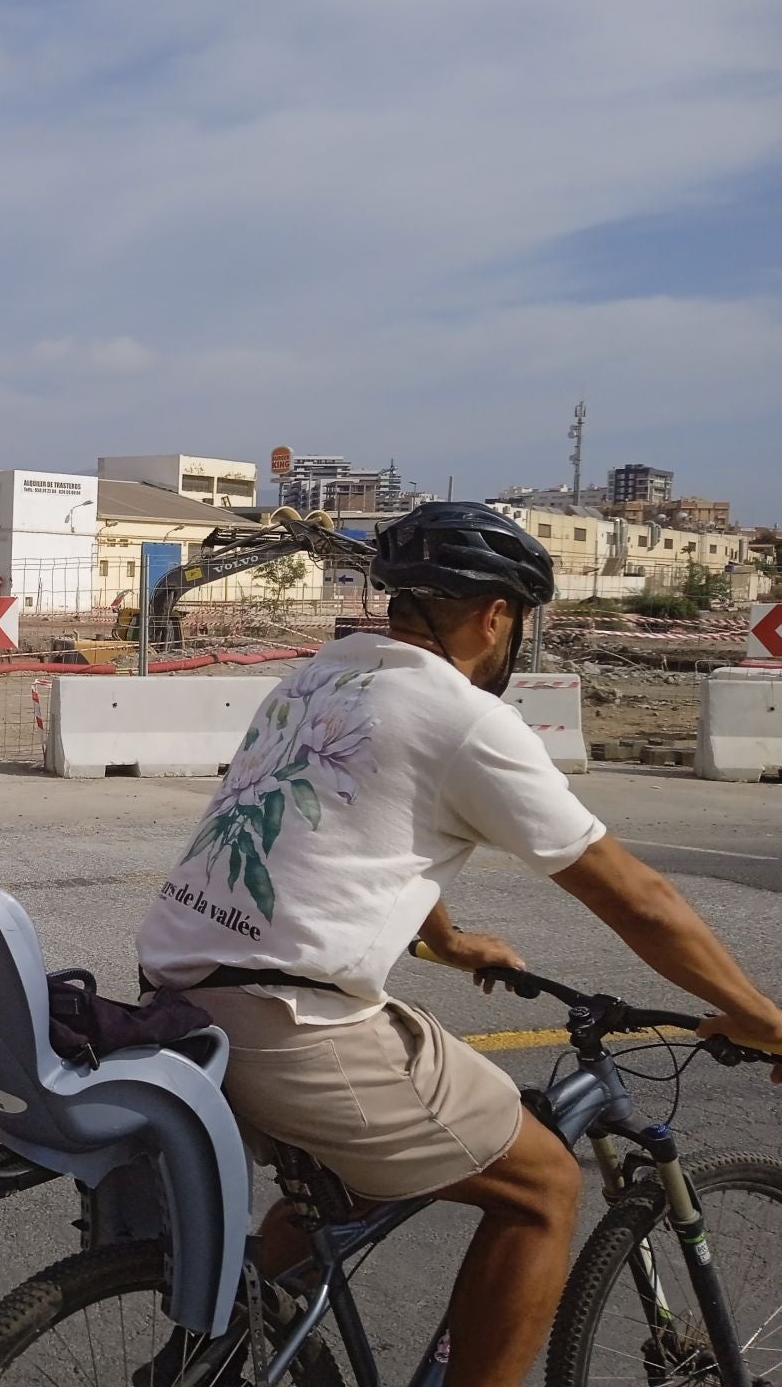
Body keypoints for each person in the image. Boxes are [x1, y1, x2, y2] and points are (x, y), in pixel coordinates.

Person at [136, 501, 782, 1387]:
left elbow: (354, 827)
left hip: (181, 994)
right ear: (496, 616)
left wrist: (447, 939)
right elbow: (640, 901)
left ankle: (211, 1356)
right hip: (291, 1026)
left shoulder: (318, 676)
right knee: (543, 1186)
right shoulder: (466, 717)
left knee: (352, 1182)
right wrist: (756, 1014)